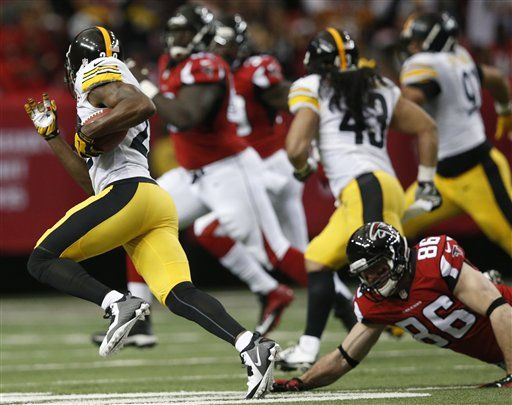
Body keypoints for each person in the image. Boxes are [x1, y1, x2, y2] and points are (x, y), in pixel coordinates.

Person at [24, 26, 279, 399]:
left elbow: (143, 105)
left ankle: (117, 302)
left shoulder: (95, 72)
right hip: (149, 200)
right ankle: (250, 344)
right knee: (178, 294)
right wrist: (54, 137)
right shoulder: (105, 85)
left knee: (42, 259)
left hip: (130, 194)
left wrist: (90, 133)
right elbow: (91, 184)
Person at [91, 5, 304, 347]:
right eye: (173, 32)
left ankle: (344, 302)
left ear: (203, 36)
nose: (176, 40)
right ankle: (140, 322)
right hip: (193, 173)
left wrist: (147, 90)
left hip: (229, 168)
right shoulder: (168, 64)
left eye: (184, 33)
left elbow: (186, 115)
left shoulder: (208, 64)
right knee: (135, 219)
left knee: (274, 251)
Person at [276, 28, 440, 371]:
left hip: (363, 187)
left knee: (403, 276)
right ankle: (308, 348)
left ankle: (479, 298)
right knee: (318, 259)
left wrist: (304, 169)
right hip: (377, 185)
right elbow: (427, 127)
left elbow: (294, 148)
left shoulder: (313, 86)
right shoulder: (379, 85)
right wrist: (425, 182)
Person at [210, 14, 356, 333]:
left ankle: (269, 290)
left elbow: (294, 99)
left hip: (269, 166)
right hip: (258, 168)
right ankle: (346, 306)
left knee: (212, 228)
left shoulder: (256, 69)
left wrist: (312, 138)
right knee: (302, 254)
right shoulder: (213, 75)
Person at [273, 222, 512, 391]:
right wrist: (302, 382)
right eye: (366, 274)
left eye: (378, 269)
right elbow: (343, 358)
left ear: (396, 256)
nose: (373, 279)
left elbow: (500, 309)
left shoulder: (434, 262)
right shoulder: (377, 302)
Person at [398, 12, 512, 256]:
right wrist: (505, 110)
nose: (411, 47)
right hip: (441, 180)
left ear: (429, 42)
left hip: (477, 173)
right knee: (393, 228)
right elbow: (496, 77)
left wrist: (387, 97)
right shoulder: (459, 56)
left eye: (415, 41)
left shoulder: (424, 65)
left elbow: (413, 99)